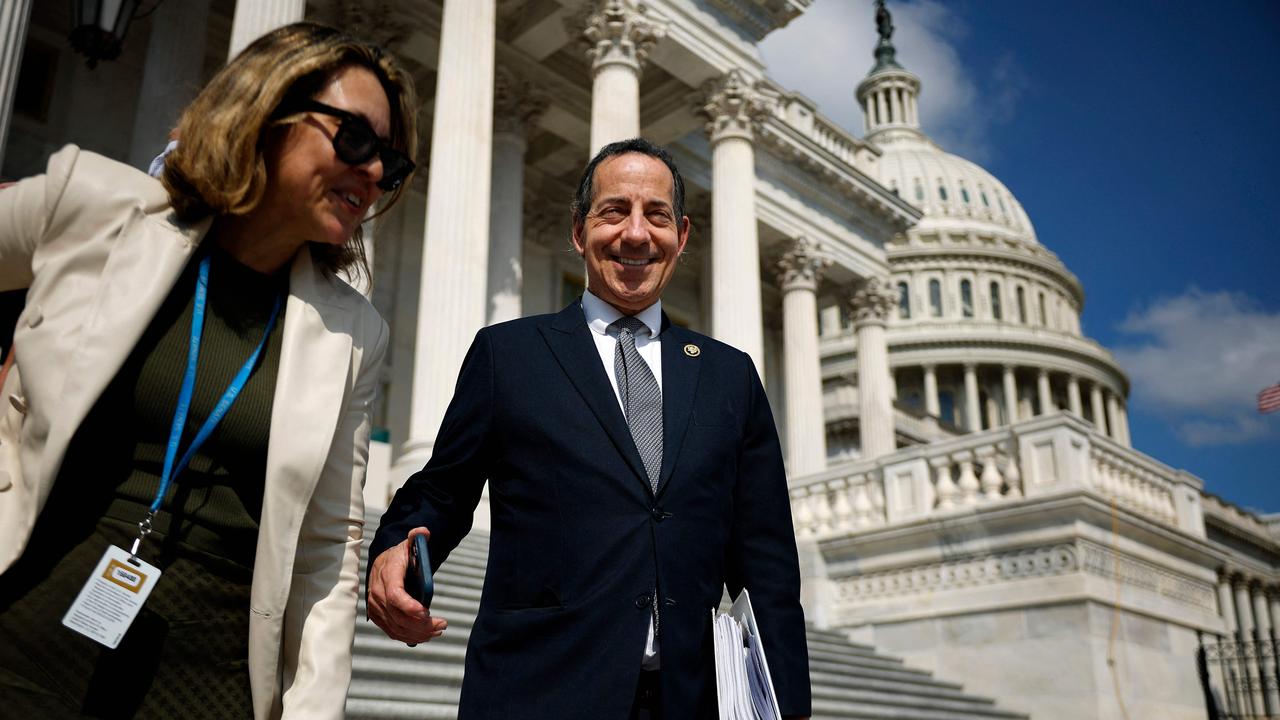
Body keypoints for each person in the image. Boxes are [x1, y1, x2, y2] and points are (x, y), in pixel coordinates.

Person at [0, 22, 417, 719]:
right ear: (267, 108)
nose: (374, 173)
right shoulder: (91, 204)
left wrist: (313, 708)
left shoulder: (352, 333)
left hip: (205, 680)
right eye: (355, 140)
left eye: (392, 164)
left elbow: (327, 548)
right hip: (24, 639)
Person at [367, 138, 812, 719]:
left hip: (690, 698)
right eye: (613, 212)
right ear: (579, 232)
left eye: (655, 215)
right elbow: (443, 489)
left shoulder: (730, 374)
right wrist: (395, 547)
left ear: (682, 235)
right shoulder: (510, 354)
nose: (635, 234)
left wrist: (789, 702)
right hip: (541, 687)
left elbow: (766, 555)